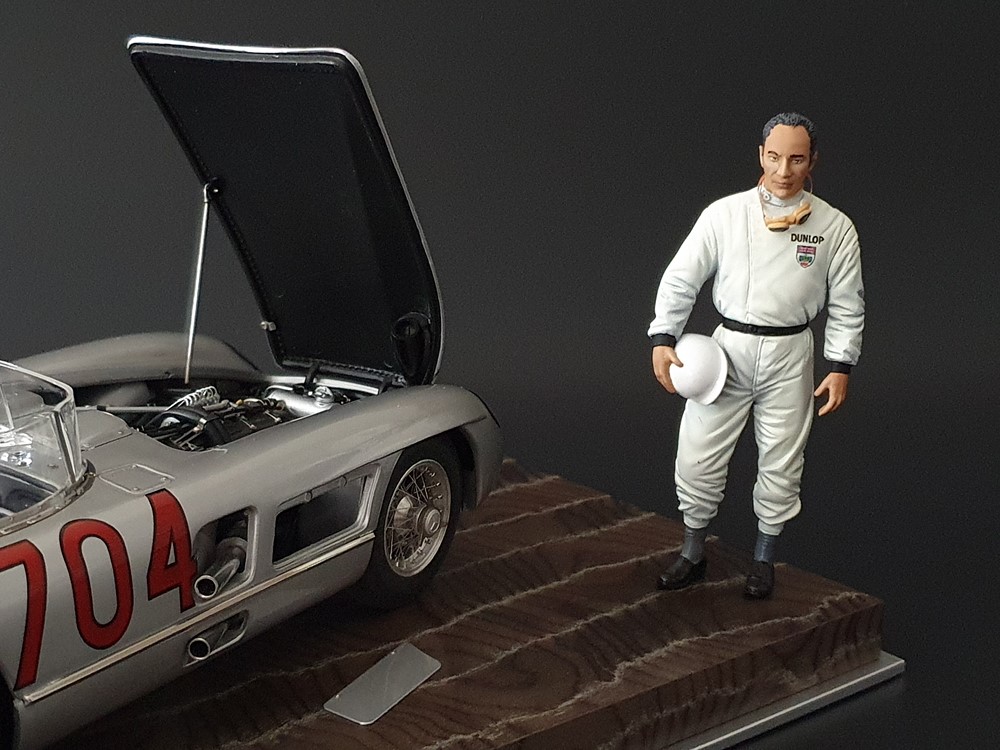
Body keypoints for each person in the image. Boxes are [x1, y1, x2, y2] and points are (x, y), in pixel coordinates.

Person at [648, 112, 864, 599]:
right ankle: (692, 550)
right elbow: (683, 275)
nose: (784, 170)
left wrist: (840, 364)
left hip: (791, 352)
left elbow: (848, 302)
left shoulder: (834, 227)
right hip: (727, 351)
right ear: (760, 155)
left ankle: (764, 558)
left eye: (796, 159)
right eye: (775, 157)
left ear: (812, 161)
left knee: (783, 459)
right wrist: (664, 334)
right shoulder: (725, 215)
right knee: (698, 452)